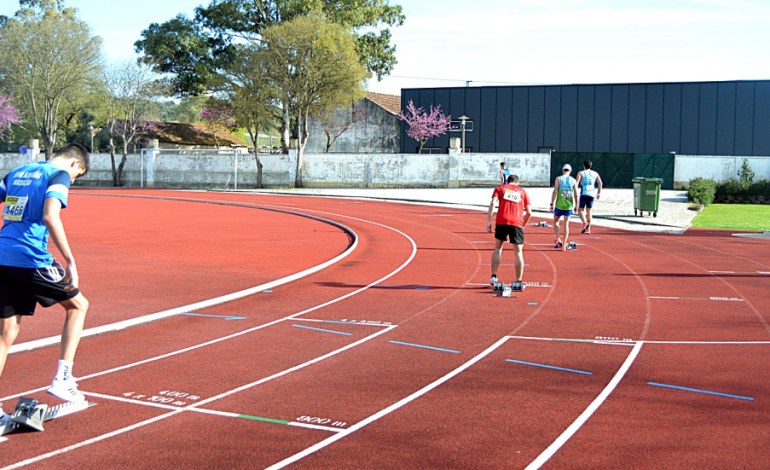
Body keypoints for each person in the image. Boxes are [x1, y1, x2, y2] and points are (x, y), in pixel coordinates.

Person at [0, 143, 90, 419]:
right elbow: (51, 215)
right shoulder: (58, 175)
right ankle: (63, 378)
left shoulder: (17, 172)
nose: (72, 181)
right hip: (31, 258)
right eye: (77, 177)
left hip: (3, 256)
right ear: (74, 163)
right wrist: (70, 259)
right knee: (78, 306)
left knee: (5, 334)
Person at [486, 174, 532, 285]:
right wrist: (523, 225)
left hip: (501, 220)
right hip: (517, 222)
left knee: (498, 247)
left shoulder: (499, 188)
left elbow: (493, 203)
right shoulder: (522, 192)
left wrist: (488, 221)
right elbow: (530, 212)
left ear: (507, 181)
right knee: (518, 252)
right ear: (517, 182)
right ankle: (519, 280)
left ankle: (493, 276)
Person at [550, 164, 578, 251]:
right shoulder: (573, 180)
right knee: (566, 224)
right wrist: (576, 205)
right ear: (570, 171)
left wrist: (551, 204)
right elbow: (576, 194)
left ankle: (558, 238)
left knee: (556, 222)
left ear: (562, 170)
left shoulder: (558, 179)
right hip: (568, 206)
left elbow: (555, 191)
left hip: (559, 205)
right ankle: (564, 245)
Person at [575, 160, 602, 234]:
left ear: (584, 166)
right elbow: (600, 183)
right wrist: (598, 193)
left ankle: (584, 223)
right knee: (589, 211)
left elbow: (576, 183)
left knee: (580, 210)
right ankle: (588, 229)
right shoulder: (595, 173)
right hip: (592, 194)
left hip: (584, 193)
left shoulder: (581, 173)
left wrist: (575, 192)